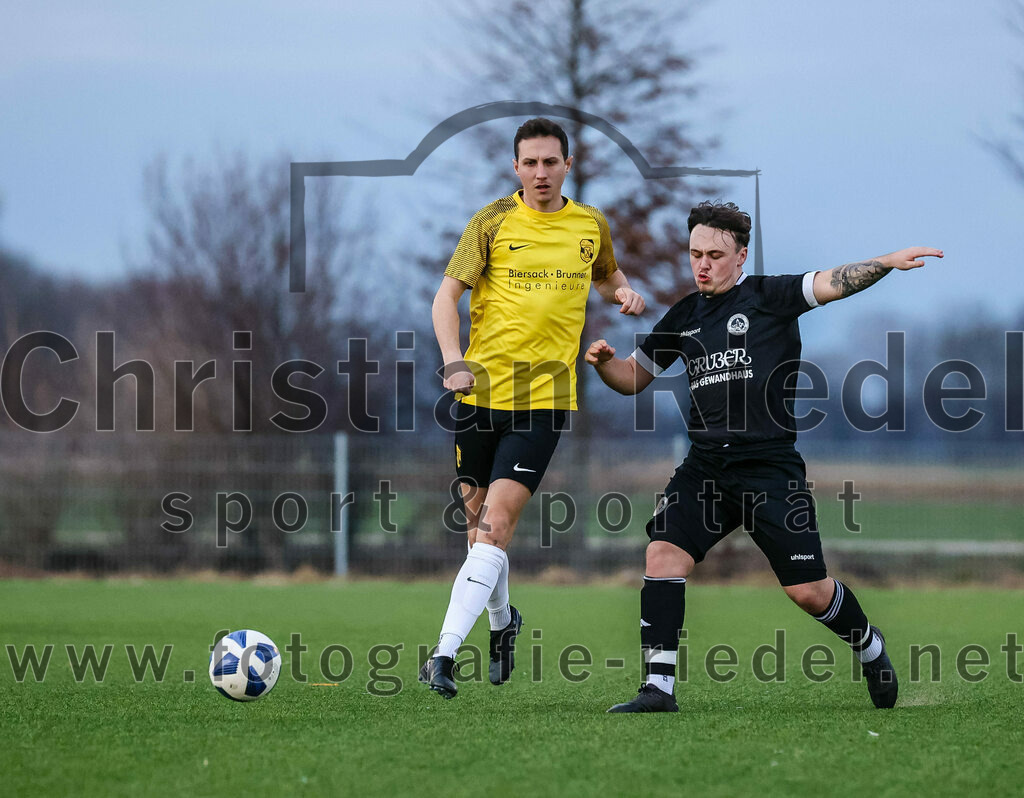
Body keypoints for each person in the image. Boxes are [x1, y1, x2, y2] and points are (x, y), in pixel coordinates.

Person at [586, 200, 942, 712]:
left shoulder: (770, 297)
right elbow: (631, 379)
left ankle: (868, 644)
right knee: (663, 555)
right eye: (695, 254)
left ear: (740, 256)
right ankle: (658, 690)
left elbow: (833, 282)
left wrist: (885, 262)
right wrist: (604, 363)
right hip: (706, 468)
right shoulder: (684, 316)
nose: (702, 265)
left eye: (714, 255)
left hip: (769, 468)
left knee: (809, 592)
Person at [420, 117, 646, 699]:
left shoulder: (590, 224)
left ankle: (442, 654)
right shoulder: (491, 221)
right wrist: (453, 360)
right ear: (515, 167)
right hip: (478, 396)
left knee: (494, 527)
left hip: (543, 400)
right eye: (530, 162)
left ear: (568, 165)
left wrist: (622, 291)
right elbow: (446, 297)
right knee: (479, 533)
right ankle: (503, 622)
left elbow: (607, 276)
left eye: (550, 162)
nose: (540, 172)